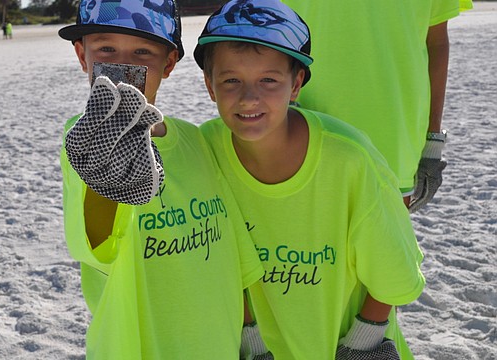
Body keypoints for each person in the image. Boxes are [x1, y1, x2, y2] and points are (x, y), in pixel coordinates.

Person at [193, 0, 426, 358]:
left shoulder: (350, 158)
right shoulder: (205, 152)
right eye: (231, 80)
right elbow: (221, 258)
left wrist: (363, 341)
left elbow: (394, 270)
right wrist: (251, 341)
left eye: (269, 80)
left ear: (296, 82)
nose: (249, 97)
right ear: (210, 85)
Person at [58, 0, 265, 357]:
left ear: (168, 63)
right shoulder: (81, 144)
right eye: (106, 48)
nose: (124, 64)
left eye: (142, 51)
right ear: (82, 56)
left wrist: (251, 338)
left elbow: (232, 253)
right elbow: (97, 245)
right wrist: (106, 186)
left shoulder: (196, 140)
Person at [280, 0, 472, 212]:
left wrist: (433, 141)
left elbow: (436, 42)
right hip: (299, 128)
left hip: (393, 139)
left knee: (382, 245)